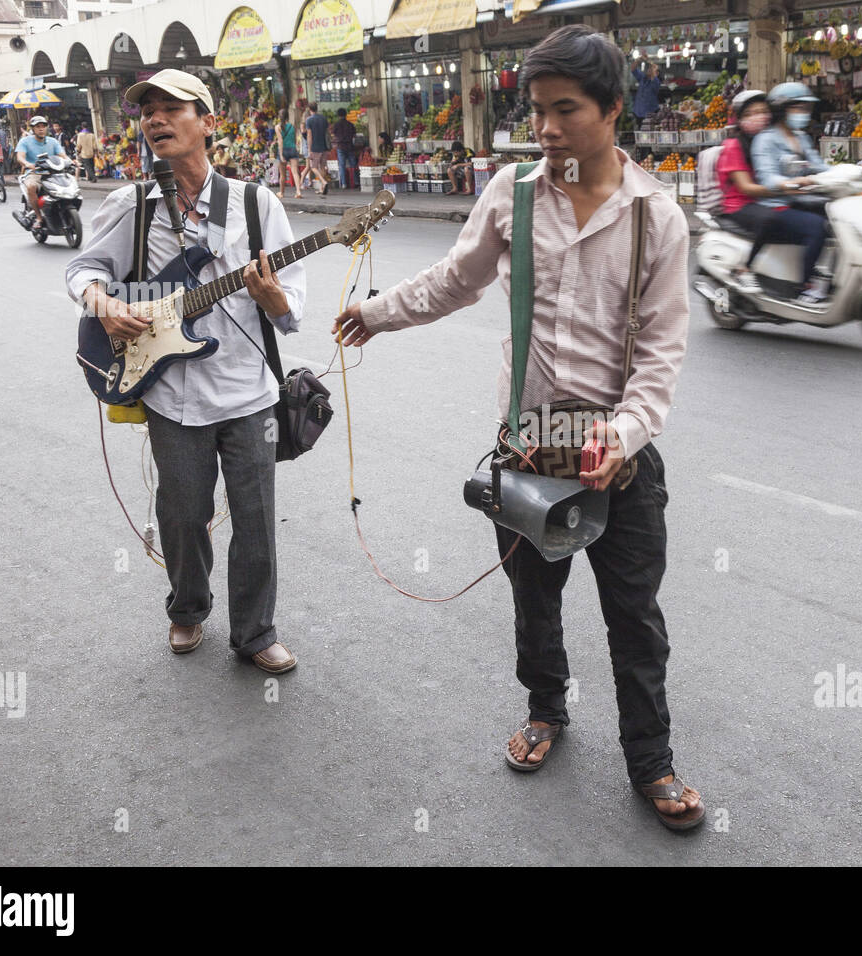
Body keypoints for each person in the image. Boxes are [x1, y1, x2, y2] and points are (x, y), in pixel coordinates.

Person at [332, 24, 704, 831]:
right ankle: (547, 711)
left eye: (564, 110)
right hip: (527, 449)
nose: (545, 129)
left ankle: (653, 761)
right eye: (535, 112)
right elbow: (454, 280)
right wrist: (375, 313)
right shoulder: (513, 194)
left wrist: (626, 435)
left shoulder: (658, 218)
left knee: (634, 619)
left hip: (621, 461)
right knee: (535, 603)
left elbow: (662, 354)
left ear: (611, 110)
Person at [65, 69, 306, 674]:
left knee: (255, 524)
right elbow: (83, 270)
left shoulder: (256, 204)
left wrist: (273, 298)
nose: (155, 119)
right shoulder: (133, 204)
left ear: (208, 122)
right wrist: (106, 303)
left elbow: (292, 311)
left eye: (172, 107)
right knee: (182, 514)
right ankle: (188, 607)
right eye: (147, 111)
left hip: (248, 393)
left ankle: (255, 633)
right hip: (170, 395)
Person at [715, 89, 814, 296]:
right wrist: (784, 187)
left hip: (768, 198)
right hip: (740, 205)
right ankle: (745, 269)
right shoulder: (734, 145)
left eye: (762, 111)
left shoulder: (770, 141)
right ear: (740, 119)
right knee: (770, 218)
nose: (759, 117)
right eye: (751, 113)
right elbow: (746, 188)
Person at [751, 82, 832, 303]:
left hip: (800, 201)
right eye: (797, 108)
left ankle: (822, 273)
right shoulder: (765, 140)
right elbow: (768, 178)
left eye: (805, 109)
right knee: (816, 227)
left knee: (836, 219)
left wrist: (846, 173)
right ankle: (805, 286)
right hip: (776, 205)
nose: (803, 114)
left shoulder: (801, 138)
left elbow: (819, 166)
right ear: (782, 110)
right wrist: (791, 182)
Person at [14, 115, 65, 229]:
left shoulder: (53, 141)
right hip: (34, 172)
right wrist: (27, 164)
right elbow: (20, 157)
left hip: (53, 172)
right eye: (38, 127)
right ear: (33, 129)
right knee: (31, 187)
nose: (41, 129)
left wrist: (72, 162)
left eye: (43, 126)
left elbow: (63, 155)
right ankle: (39, 218)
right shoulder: (25, 141)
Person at [275, 108, 303, 200]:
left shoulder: (278, 127)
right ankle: (298, 191)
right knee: (295, 172)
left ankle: (281, 193)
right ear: (288, 116)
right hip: (292, 149)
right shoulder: (292, 126)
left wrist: (281, 154)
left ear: (279, 117)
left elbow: (280, 141)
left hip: (284, 150)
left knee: (282, 174)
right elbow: (295, 139)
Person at [303, 102, 331, 195]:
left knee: (313, 167)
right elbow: (327, 132)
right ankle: (322, 188)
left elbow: (309, 135)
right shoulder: (323, 118)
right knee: (322, 166)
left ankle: (323, 182)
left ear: (309, 109)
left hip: (315, 146)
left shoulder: (309, 120)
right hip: (324, 145)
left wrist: (309, 149)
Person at [330, 110, 359, 189]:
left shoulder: (336, 125)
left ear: (338, 115)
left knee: (342, 165)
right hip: (350, 146)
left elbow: (333, 134)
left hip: (340, 147)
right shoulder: (350, 124)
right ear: (346, 115)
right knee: (353, 165)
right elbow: (354, 135)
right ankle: (356, 181)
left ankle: (344, 183)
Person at [630, 55, 661, 126]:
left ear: (657, 73)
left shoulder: (656, 81)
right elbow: (633, 69)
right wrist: (639, 59)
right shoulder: (643, 78)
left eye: (651, 69)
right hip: (638, 112)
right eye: (649, 68)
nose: (649, 70)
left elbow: (653, 76)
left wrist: (651, 64)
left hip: (650, 114)